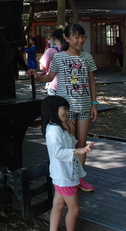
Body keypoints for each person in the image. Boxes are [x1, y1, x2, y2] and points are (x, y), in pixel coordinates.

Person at [28, 23, 98, 192]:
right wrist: (36, 76)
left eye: (83, 36)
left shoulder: (87, 57)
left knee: (82, 143)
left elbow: (92, 81)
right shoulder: (59, 58)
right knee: (69, 145)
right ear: (67, 38)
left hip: (84, 106)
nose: (80, 40)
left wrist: (94, 104)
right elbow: (49, 77)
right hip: (65, 109)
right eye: (76, 36)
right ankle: (67, 177)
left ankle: (80, 177)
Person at [41, 95, 94, 231]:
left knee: (58, 205)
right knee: (75, 209)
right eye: (64, 108)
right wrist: (79, 151)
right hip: (64, 176)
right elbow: (57, 152)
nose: (67, 112)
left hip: (65, 174)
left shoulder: (58, 127)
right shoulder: (53, 130)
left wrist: (70, 129)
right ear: (53, 109)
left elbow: (70, 143)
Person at [36, 29, 65, 95]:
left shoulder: (50, 51)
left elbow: (42, 67)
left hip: (54, 83)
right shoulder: (68, 50)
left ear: (53, 38)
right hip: (66, 85)